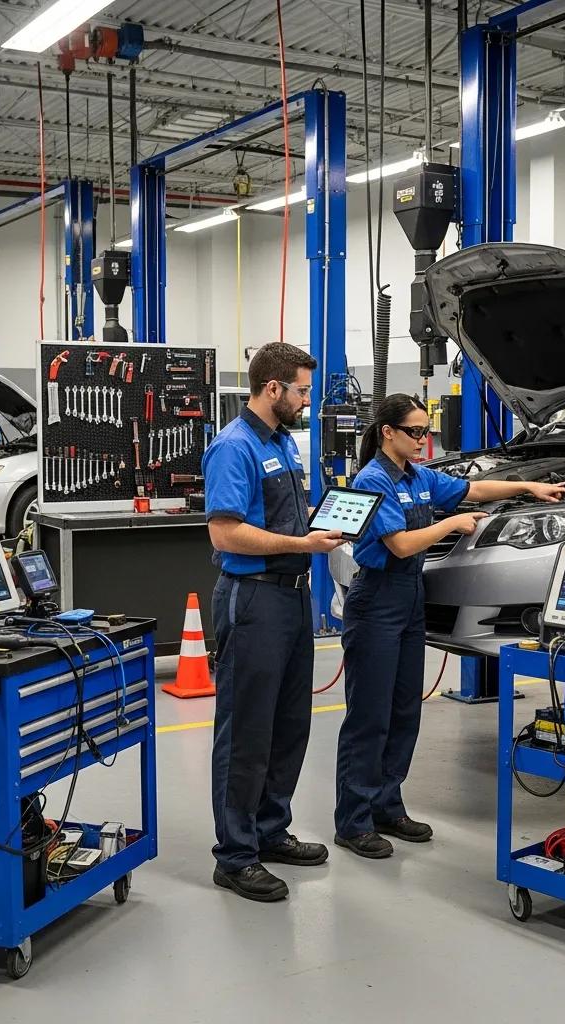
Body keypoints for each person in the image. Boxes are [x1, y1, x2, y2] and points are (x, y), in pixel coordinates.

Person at [334, 394, 565, 858]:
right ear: (388, 432)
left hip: (409, 599)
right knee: (369, 716)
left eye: (427, 431)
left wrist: (528, 488)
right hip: (378, 599)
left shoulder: (417, 476)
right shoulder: (372, 480)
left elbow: (473, 490)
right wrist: (453, 525)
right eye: (415, 432)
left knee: (405, 710)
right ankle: (353, 820)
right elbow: (401, 545)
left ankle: (388, 805)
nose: (424, 440)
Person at [203, 342, 346, 902]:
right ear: (273, 389)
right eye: (303, 390)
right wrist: (301, 542)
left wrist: (323, 528)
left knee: (289, 724)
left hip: (291, 598)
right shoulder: (233, 447)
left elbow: (285, 518)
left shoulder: (284, 441)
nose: (307, 400)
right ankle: (235, 856)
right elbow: (226, 533)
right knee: (246, 731)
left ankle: (269, 830)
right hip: (252, 598)